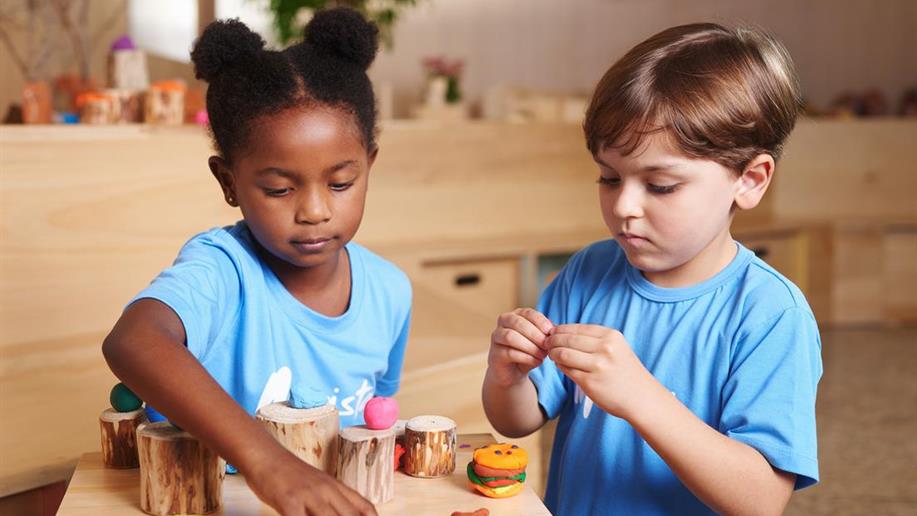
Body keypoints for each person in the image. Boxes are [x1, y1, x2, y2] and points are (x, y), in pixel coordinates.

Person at [482, 23, 822, 515]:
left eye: (660, 185)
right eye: (608, 177)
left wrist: (641, 397)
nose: (625, 205)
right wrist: (506, 377)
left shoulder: (770, 314)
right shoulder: (589, 271)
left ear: (749, 180)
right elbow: (519, 420)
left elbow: (761, 499)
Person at [102, 8, 410, 515]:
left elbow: (375, 425)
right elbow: (131, 341)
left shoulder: (391, 291)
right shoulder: (221, 270)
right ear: (229, 182)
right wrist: (269, 463)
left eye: (340, 183)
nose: (314, 211)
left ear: (369, 166)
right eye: (278, 189)